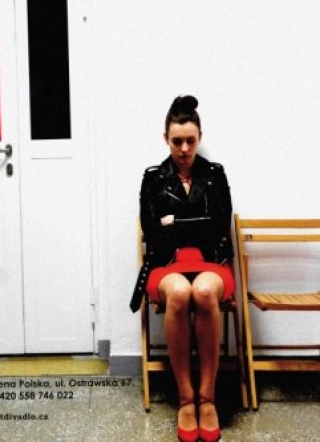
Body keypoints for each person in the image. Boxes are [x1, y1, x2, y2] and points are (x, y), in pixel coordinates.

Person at [130, 95, 234, 442]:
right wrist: (189, 225)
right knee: (179, 292)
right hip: (166, 263)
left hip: (211, 262)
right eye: (177, 141)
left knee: (202, 291)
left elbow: (219, 228)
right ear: (166, 139)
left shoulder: (215, 174)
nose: (185, 148)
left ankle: (208, 398)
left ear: (200, 137)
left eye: (191, 140)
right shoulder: (153, 178)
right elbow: (153, 231)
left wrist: (174, 222)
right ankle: (186, 399)